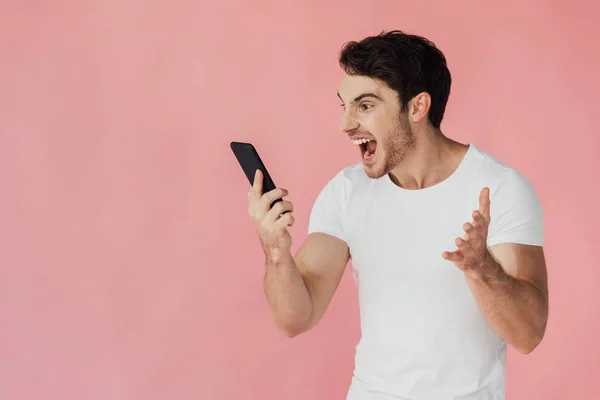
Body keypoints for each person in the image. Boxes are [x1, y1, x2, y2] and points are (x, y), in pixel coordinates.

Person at [246, 30, 548, 400]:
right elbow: (295, 318)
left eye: (366, 106)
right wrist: (275, 249)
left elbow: (528, 334)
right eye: (344, 105)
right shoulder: (346, 192)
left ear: (417, 107)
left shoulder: (499, 189)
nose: (345, 124)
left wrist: (481, 268)